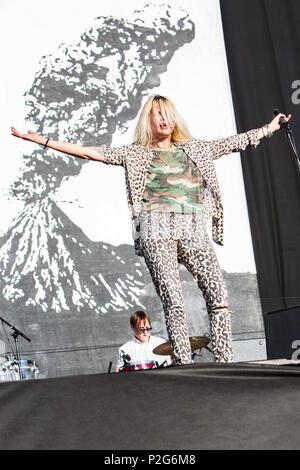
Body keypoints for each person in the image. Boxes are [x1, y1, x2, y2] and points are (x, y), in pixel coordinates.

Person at [11, 95, 291, 366]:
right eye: (157, 114)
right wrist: (43, 141)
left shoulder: (194, 149)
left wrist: (269, 128)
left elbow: (234, 143)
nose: (164, 119)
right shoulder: (136, 153)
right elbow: (90, 152)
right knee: (174, 302)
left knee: (219, 298)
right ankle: (183, 362)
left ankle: (225, 362)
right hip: (155, 228)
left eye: (167, 113)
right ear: (148, 120)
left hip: (193, 226)